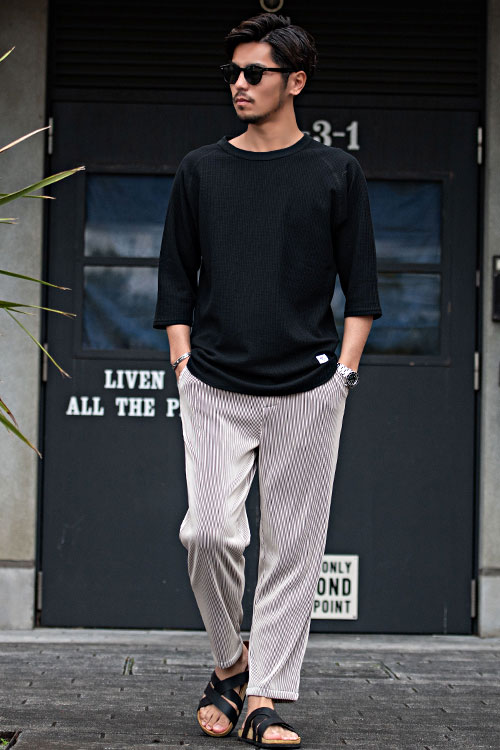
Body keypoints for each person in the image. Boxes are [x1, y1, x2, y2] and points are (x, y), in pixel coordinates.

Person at [153, 12, 382, 749]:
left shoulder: (335, 173)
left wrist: (343, 375)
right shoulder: (201, 169)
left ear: (296, 81)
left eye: (255, 73)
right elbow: (174, 280)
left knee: (293, 550)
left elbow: (362, 287)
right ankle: (231, 662)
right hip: (214, 386)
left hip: (309, 391)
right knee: (208, 533)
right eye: (233, 73)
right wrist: (183, 363)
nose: (239, 84)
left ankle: (264, 698)